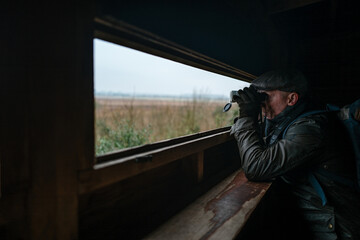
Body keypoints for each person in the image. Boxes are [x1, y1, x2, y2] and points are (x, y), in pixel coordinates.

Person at [230, 69, 360, 240]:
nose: (261, 103)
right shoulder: (287, 121)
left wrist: (246, 115)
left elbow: (256, 166)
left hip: (336, 229)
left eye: (265, 97)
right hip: (314, 219)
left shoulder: (311, 128)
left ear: (291, 98)